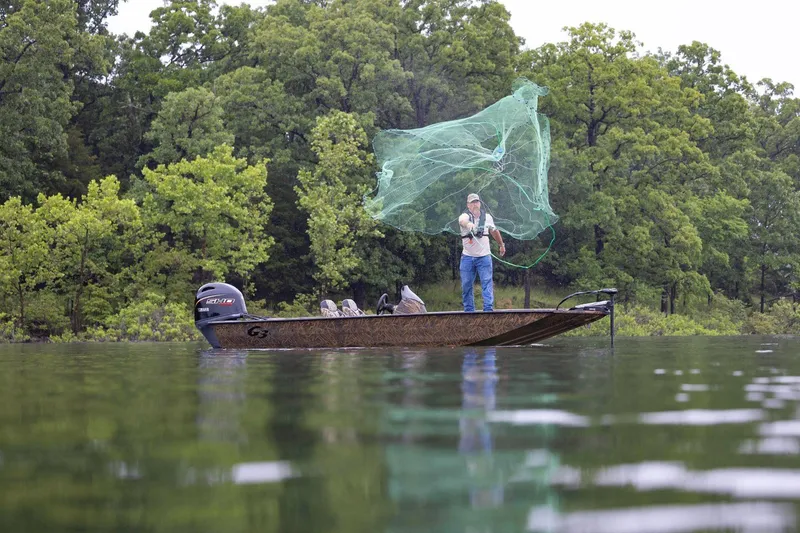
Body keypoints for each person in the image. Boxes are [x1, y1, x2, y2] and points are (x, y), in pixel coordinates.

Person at [458, 193, 505, 312]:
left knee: (487, 283)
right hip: (467, 257)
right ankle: (469, 312)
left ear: (480, 203)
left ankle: (488, 310)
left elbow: (494, 231)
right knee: (466, 286)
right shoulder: (465, 216)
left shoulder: (487, 217)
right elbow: (462, 221)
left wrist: (501, 245)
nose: (475, 204)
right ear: (468, 205)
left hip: (484, 257)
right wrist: (469, 225)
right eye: (472, 202)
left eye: (476, 202)